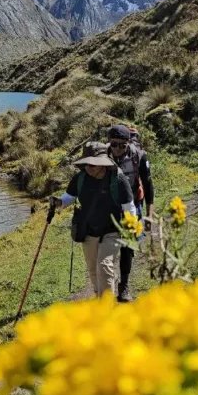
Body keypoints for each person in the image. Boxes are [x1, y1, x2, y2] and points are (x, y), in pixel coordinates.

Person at [55, 141, 135, 299]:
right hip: (88, 230)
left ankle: (106, 309)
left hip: (113, 231)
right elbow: (70, 197)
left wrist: (130, 229)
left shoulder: (118, 179)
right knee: (93, 269)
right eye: (86, 164)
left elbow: (129, 206)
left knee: (104, 266)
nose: (88, 168)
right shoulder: (81, 178)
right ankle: (101, 296)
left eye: (92, 164)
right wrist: (59, 202)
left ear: (102, 164)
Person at [108, 123, 155, 302]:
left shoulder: (139, 156)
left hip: (133, 204)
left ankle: (124, 285)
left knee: (128, 245)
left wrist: (149, 213)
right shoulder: (102, 155)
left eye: (122, 145)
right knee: (108, 242)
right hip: (108, 205)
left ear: (128, 143)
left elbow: (148, 184)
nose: (117, 149)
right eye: (114, 144)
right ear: (108, 142)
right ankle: (107, 283)